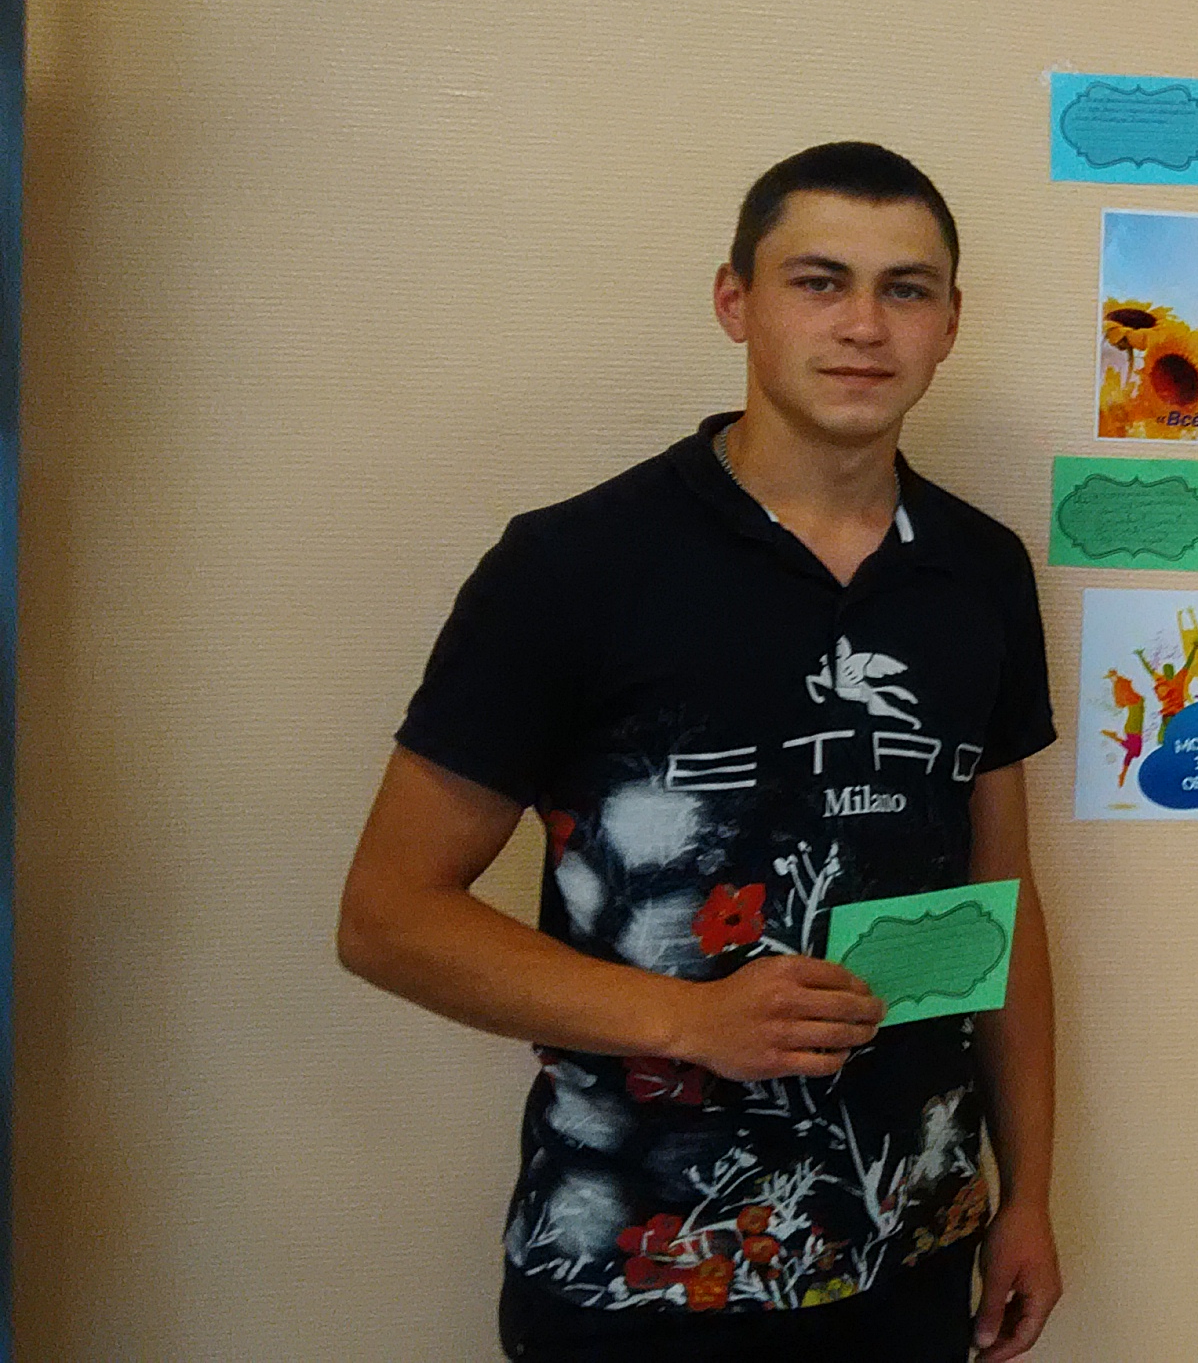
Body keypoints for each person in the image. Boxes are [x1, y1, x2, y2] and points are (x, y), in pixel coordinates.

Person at [337, 143, 1063, 1362]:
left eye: (905, 289)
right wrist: (687, 1019)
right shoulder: (572, 567)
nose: (864, 326)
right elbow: (387, 915)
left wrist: (1027, 1190)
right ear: (737, 302)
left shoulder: (980, 572)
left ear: (949, 323)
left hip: (909, 1248)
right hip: (641, 1270)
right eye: (819, 281)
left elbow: (1002, 896)